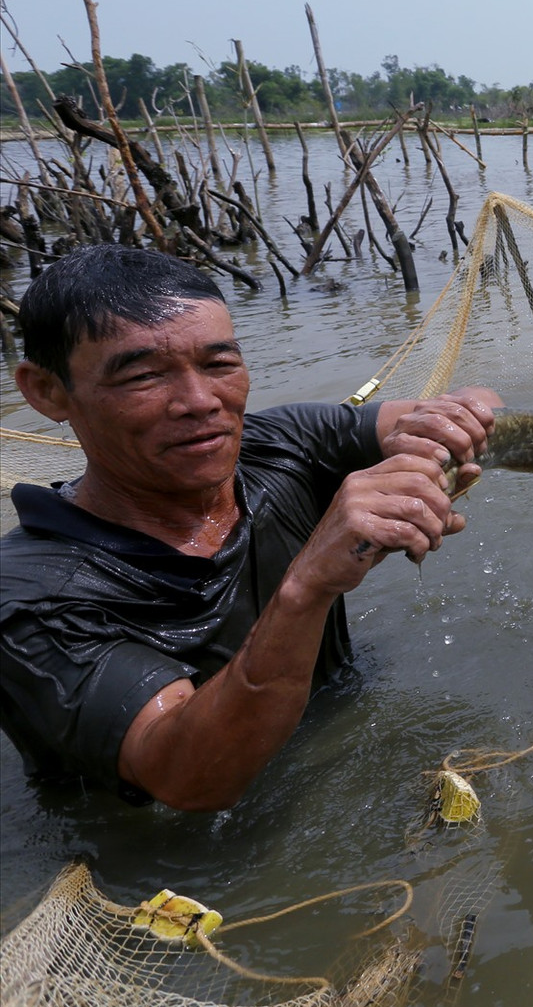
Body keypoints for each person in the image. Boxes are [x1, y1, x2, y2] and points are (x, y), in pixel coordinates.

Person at [0, 245, 500, 811]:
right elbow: (187, 781)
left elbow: (475, 405)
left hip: (336, 757)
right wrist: (307, 585)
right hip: (163, 861)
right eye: (142, 376)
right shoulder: (27, 596)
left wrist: (452, 423)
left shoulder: (281, 443)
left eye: (219, 364)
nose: (199, 402)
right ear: (46, 392)